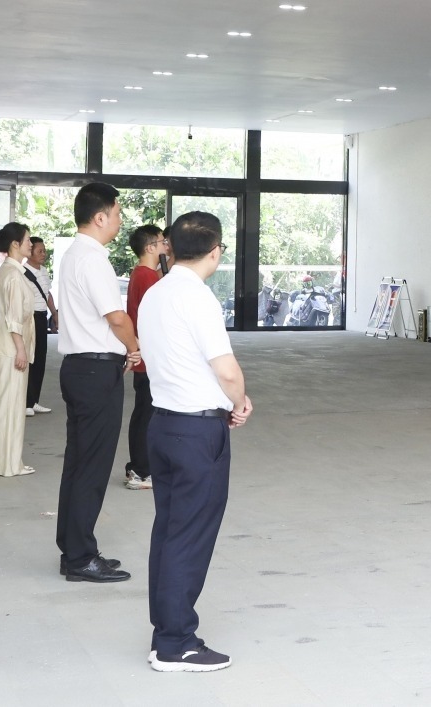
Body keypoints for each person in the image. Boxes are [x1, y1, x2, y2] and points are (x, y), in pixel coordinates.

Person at [138, 211, 253, 673]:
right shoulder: (198, 297)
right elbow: (226, 370)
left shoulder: (155, 292)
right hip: (196, 432)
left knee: (170, 531)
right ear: (216, 251)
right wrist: (240, 402)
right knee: (189, 536)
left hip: (162, 424)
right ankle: (176, 643)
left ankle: (165, 633)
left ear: (171, 246)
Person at [54, 182, 139, 583]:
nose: (120, 221)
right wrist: (135, 348)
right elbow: (116, 317)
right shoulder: (93, 259)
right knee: (92, 465)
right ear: (100, 217)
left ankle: (73, 550)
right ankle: (81, 558)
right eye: (117, 214)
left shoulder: (73, 255)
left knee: (79, 463)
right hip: (95, 371)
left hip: (80, 367)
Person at [0, 223, 39, 478]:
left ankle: (8, 463)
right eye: (28, 240)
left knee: (10, 408)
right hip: (12, 351)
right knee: (11, 408)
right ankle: (9, 465)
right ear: (15, 244)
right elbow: (14, 319)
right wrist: (21, 350)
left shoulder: (11, 271)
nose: (31, 244)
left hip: (9, 349)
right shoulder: (13, 275)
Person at [122, 225, 167, 490]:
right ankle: (141, 471)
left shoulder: (142, 274)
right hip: (149, 356)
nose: (165, 247)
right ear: (150, 248)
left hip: (145, 356)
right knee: (146, 415)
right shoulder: (147, 277)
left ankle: (138, 467)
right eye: (162, 243)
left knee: (143, 412)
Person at [25, 237, 56, 415]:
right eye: (40, 251)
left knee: (40, 359)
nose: (43, 254)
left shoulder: (43, 271)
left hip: (42, 317)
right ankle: (26, 402)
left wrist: (55, 313)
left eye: (44, 251)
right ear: (29, 252)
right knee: (30, 358)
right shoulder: (23, 271)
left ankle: (34, 400)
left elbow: (48, 294)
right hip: (30, 317)